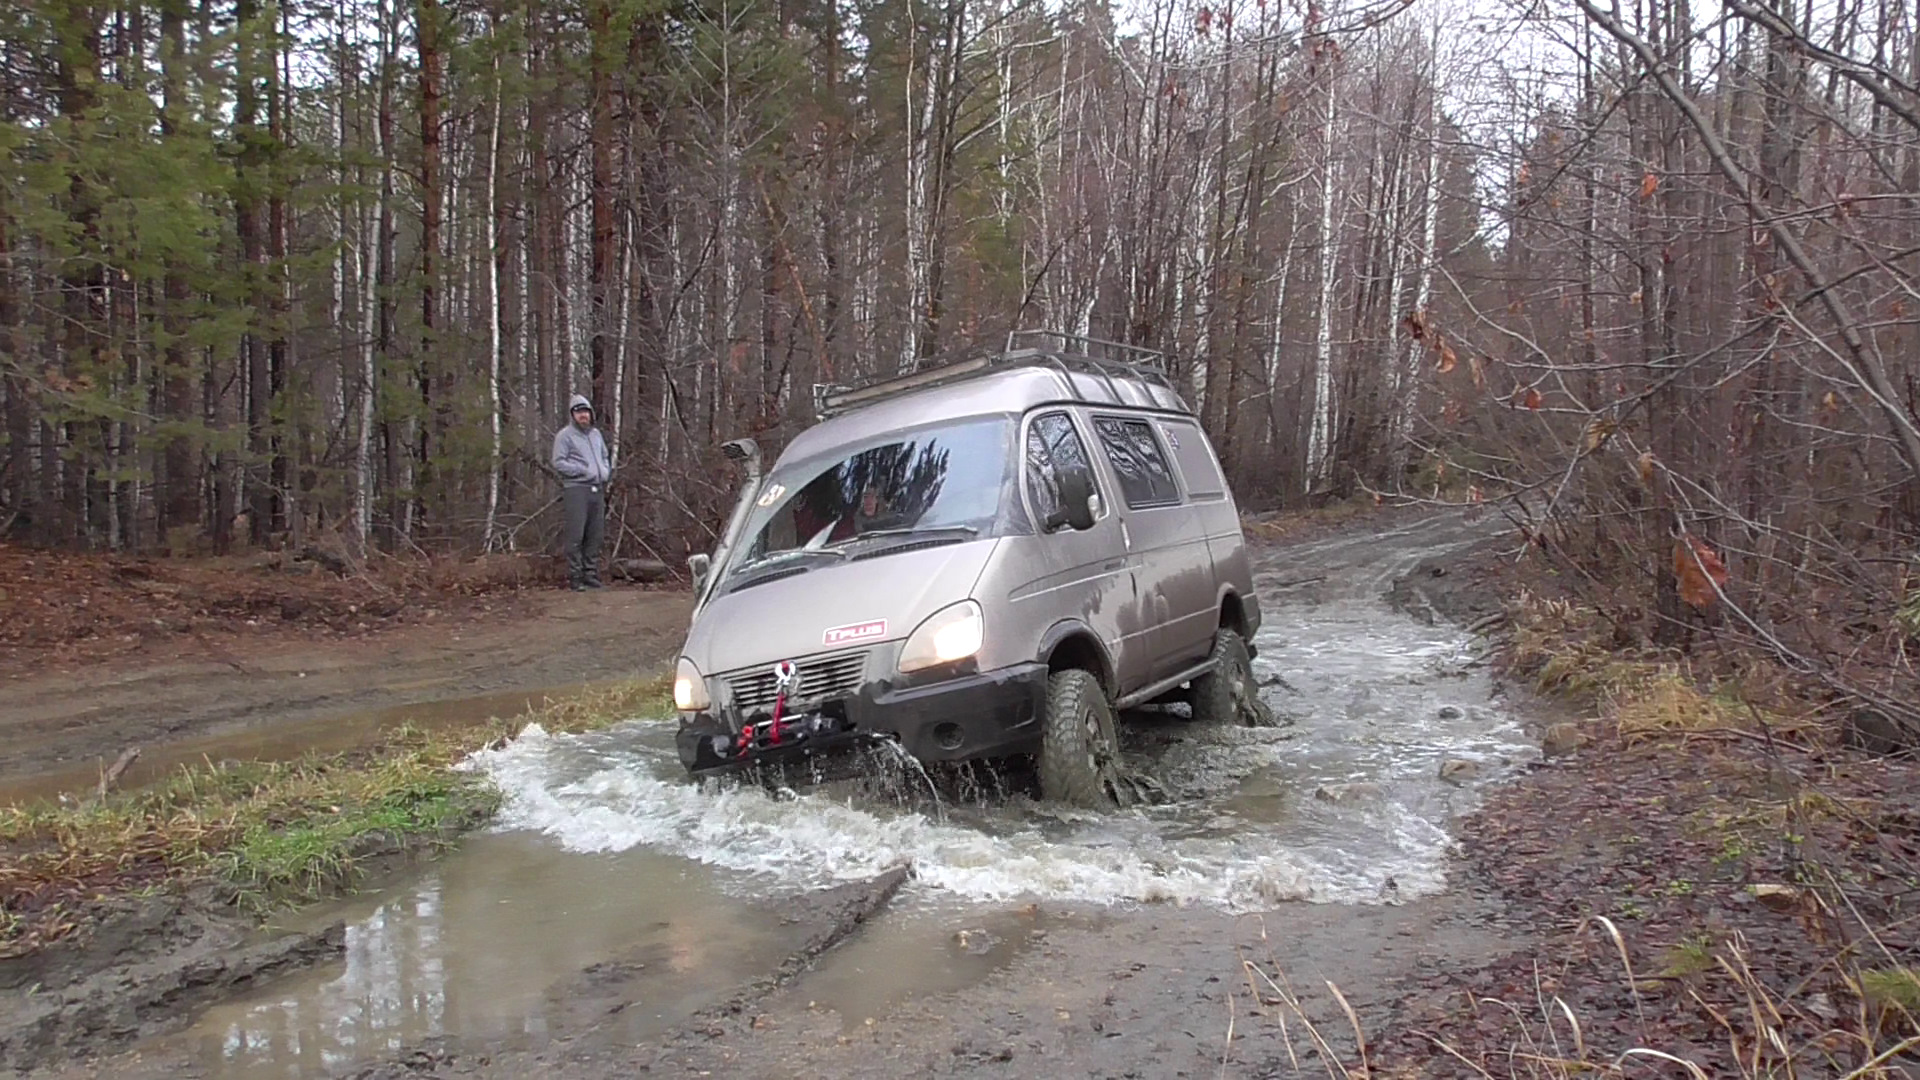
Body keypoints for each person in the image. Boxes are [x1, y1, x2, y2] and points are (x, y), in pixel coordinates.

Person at [551, 394, 611, 590]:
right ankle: (575, 577)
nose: (583, 415)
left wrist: (604, 471)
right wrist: (582, 471)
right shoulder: (565, 436)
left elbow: (604, 456)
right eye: (578, 412)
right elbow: (558, 462)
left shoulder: (595, 435)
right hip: (576, 489)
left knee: (595, 534)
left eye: (585, 411)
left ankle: (590, 574)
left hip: (597, 489)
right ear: (572, 415)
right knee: (576, 535)